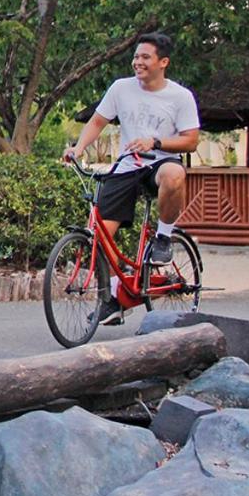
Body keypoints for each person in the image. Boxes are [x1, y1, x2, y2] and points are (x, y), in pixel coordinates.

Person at [65, 31, 200, 326]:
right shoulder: (120, 88)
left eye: (145, 57)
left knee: (175, 173)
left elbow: (191, 141)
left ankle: (164, 236)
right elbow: (98, 121)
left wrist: (156, 143)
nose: (137, 62)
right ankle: (112, 298)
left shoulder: (180, 97)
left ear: (162, 62)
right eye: (136, 56)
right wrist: (78, 148)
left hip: (160, 164)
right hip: (126, 167)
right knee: (99, 235)